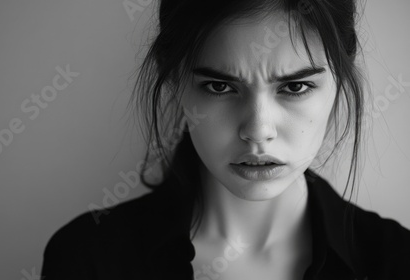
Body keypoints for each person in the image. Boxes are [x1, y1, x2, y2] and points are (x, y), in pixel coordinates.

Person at [41, 0, 410, 279]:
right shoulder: (87, 259)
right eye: (219, 86)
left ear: (340, 81)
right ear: (173, 81)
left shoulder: (396, 261)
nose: (258, 130)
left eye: (295, 86)